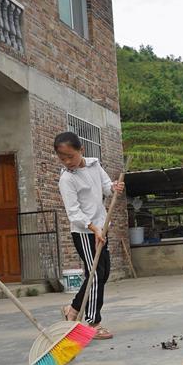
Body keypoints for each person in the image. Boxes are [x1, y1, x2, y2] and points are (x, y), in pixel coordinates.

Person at [54, 132, 125, 339]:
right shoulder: (67, 179)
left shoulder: (94, 165)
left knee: (103, 272)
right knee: (94, 274)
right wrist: (93, 228)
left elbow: (106, 188)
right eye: (62, 158)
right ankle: (93, 322)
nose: (68, 162)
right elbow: (73, 212)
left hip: (102, 227)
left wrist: (114, 187)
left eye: (70, 156)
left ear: (81, 150)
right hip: (85, 232)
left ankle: (73, 309)